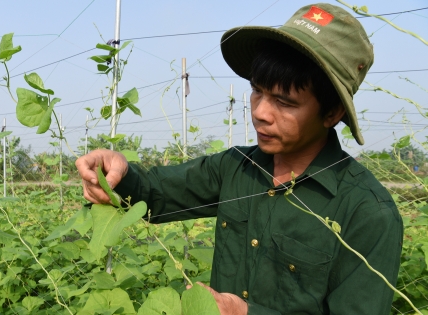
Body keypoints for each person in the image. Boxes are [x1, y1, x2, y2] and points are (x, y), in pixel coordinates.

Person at [76, 3, 403, 314]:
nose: (260, 112)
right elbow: (152, 194)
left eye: (284, 102)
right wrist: (117, 173)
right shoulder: (236, 167)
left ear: (332, 112)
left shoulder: (368, 213)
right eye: (257, 90)